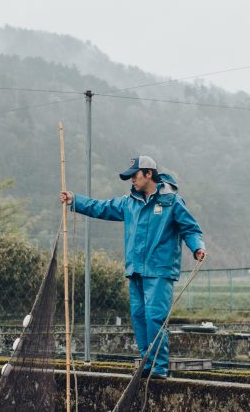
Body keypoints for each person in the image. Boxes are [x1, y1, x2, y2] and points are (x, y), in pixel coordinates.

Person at [60, 155, 205, 379]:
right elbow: (102, 207)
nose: (132, 181)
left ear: (149, 174)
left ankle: (158, 367)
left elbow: (190, 229)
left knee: (155, 316)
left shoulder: (172, 201)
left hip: (159, 270)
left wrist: (197, 248)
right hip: (135, 270)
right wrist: (75, 201)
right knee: (138, 316)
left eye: (134, 176)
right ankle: (146, 362)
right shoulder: (129, 202)